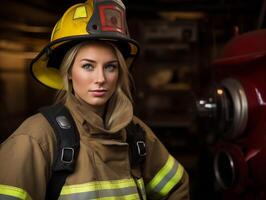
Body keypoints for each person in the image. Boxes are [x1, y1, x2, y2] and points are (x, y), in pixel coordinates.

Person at [0, 0, 190, 199]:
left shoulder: (135, 133)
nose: (101, 79)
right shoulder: (37, 138)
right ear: (69, 72)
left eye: (110, 67)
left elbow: (177, 187)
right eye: (88, 66)